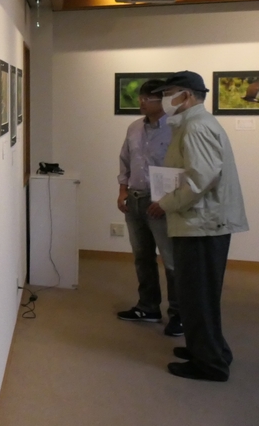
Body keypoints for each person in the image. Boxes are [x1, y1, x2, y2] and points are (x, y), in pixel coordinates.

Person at [147, 71, 249, 382]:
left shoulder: (196, 128)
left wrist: (163, 204)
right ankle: (210, 350)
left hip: (202, 225)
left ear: (188, 96)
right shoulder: (192, 125)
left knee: (198, 297)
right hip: (200, 222)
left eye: (170, 92)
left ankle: (210, 365)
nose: (165, 99)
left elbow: (199, 180)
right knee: (198, 296)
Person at [116, 79, 179, 336]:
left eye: (145, 99)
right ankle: (148, 307)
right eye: (140, 97)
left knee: (171, 260)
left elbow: (183, 170)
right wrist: (122, 191)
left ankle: (179, 314)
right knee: (142, 256)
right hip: (135, 199)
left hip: (161, 204)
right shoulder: (133, 128)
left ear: (160, 101)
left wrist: (167, 203)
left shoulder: (176, 129)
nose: (140, 102)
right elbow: (125, 160)